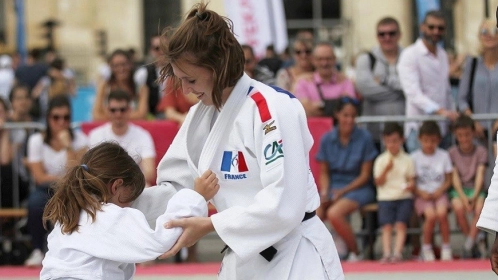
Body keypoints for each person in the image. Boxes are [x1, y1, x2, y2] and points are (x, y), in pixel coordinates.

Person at [132, 3, 344, 279]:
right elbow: (177, 188)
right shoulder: (200, 115)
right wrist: (126, 204)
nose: (185, 90)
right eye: (180, 80)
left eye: (191, 79)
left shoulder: (270, 109)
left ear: (218, 67)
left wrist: (210, 225)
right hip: (243, 257)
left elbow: (282, 201)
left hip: (295, 257)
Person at [40, 142, 219, 279]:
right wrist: (196, 197)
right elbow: (159, 240)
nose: (131, 204)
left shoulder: (75, 210)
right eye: (131, 197)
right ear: (116, 186)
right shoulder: (104, 216)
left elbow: (143, 204)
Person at [24, 95, 88, 267]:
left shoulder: (80, 139)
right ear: (48, 118)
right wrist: (64, 178)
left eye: (66, 117)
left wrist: (68, 146)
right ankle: (38, 249)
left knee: (83, 205)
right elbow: (39, 177)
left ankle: (73, 252)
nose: (61, 122)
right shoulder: (36, 141)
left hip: (72, 188)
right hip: (47, 188)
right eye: (56, 117)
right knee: (35, 203)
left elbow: (76, 172)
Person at [315, 96, 378, 262]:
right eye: (345, 115)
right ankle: (315, 255)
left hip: (359, 188)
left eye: (352, 116)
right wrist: (325, 191)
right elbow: (324, 172)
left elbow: (365, 175)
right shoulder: (327, 139)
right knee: (315, 213)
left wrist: (343, 192)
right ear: (337, 115)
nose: (349, 120)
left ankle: (356, 252)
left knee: (335, 213)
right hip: (334, 186)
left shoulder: (364, 137)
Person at [397, 10, 458, 152]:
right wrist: (441, 111)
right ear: (422, 27)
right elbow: (413, 94)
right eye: (431, 27)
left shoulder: (443, 55)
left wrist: (451, 114)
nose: (436, 31)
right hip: (419, 129)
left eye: (440, 28)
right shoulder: (410, 54)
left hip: (442, 130)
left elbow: (446, 90)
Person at [355, 17, 405, 151]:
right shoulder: (365, 59)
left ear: (400, 34)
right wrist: (401, 92)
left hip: (404, 134)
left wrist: (385, 82)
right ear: (376, 36)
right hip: (374, 134)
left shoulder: (409, 57)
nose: (386, 38)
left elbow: (413, 88)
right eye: (382, 34)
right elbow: (365, 89)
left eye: (391, 33)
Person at [88, 89, 156, 185]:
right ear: (107, 110)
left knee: (147, 185)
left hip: (132, 186)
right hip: (104, 185)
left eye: (122, 110)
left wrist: (124, 184)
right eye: (113, 110)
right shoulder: (96, 135)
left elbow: (150, 173)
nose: (118, 114)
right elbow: (91, 169)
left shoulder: (143, 135)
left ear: (129, 110)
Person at [411, 120, 453, 262]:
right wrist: (420, 193)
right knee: (430, 216)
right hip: (422, 195)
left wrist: (440, 191)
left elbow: (448, 180)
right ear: (419, 139)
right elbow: (412, 183)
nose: (429, 144)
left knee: (441, 214)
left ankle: (446, 247)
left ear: (439, 140)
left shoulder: (444, 155)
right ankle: (426, 247)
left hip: (439, 193)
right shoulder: (414, 157)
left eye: (433, 141)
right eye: (426, 141)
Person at [373, 122, 415, 263]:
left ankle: (397, 253)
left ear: (402, 140)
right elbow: (378, 182)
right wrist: (386, 169)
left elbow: (411, 179)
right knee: (387, 226)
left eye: (395, 141)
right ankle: (386, 253)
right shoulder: (380, 160)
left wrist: (410, 186)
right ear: (384, 141)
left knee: (401, 224)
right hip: (385, 197)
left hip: (403, 196)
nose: (392, 145)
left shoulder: (408, 159)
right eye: (388, 141)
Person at [448, 115, 487, 258]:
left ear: (473, 133)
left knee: (479, 209)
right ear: (455, 135)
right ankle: (474, 242)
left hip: (476, 189)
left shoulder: (481, 151)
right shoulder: (452, 152)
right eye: (460, 135)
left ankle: (468, 245)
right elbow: (455, 178)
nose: (464, 139)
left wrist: (475, 195)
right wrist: (464, 198)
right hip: (459, 190)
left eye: (467, 135)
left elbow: (480, 175)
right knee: (458, 208)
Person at [458, 19, 498, 140]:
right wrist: (473, 121)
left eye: (494, 31)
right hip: (476, 133)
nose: (489, 35)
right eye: (484, 31)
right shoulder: (472, 64)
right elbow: (461, 99)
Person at [294, 43, 357, 117]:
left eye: (328, 59)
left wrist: (320, 106)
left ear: (334, 59)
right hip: (313, 128)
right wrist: (337, 106)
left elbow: (349, 110)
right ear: (313, 60)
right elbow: (304, 110)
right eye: (320, 59)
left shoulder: (345, 82)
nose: (324, 63)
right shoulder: (304, 83)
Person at [92, 49, 148, 121]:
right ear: (111, 67)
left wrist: (111, 115)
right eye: (116, 66)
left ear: (130, 64)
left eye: (124, 64)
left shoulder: (141, 88)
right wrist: (128, 116)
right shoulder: (104, 86)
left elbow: (142, 115)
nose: (121, 69)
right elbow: (96, 115)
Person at [134, 35, 167, 118]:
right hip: (151, 117)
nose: (162, 51)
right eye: (157, 48)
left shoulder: (179, 72)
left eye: (165, 47)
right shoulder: (142, 74)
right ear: (151, 51)